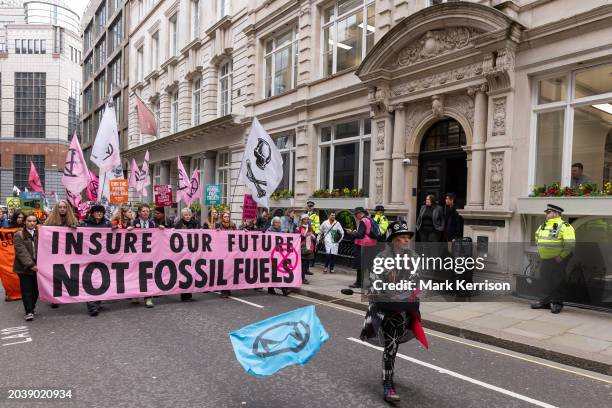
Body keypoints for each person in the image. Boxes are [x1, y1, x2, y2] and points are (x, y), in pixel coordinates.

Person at [360, 221, 426, 403]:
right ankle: (388, 383)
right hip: (388, 309)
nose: (406, 240)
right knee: (391, 346)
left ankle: (388, 377)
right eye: (402, 237)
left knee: (394, 344)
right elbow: (374, 281)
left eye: (407, 237)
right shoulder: (381, 258)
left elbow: (416, 280)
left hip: (404, 308)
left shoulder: (413, 257)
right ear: (393, 241)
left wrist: (409, 290)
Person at [531, 204, 576, 314]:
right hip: (546, 258)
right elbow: (537, 237)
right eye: (546, 212)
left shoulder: (565, 226)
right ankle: (545, 302)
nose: (546, 214)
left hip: (558, 259)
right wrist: (542, 250)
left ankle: (557, 303)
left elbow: (570, 244)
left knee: (558, 280)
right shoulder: (543, 225)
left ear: (556, 213)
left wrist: (561, 256)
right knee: (545, 280)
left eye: (548, 212)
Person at [129, 204, 164, 308]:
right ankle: (135, 295)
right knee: (136, 274)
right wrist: (128, 229)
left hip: (149, 254)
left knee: (148, 275)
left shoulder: (152, 223)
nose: (146, 213)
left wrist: (161, 228)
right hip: (136, 254)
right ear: (139, 213)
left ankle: (148, 297)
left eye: (147, 211)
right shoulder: (133, 222)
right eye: (143, 211)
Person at [80, 205, 112, 316]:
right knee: (90, 281)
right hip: (88, 258)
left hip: (103, 258)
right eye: (97, 212)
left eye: (101, 212)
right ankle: (92, 306)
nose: (99, 214)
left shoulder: (108, 224)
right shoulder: (84, 224)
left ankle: (97, 302)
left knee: (100, 280)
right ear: (92, 213)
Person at [13, 214, 40, 321]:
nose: (32, 223)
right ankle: (29, 311)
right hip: (24, 268)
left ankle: (31, 307)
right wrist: (31, 265)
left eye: (34, 221)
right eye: (29, 221)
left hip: (37, 267)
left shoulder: (40, 234)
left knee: (36, 290)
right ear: (25, 222)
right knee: (27, 290)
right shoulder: (18, 235)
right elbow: (21, 252)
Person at [173, 208, 202, 302]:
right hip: (183, 252)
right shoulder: (178, 224)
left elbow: (201, 232)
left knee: (192, 271)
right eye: (185, 215)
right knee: (184, 272)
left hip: (193, 251)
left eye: (189, 214)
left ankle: (189, 293)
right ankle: (184, 295)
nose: (188, 216)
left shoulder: (196, 222)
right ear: (182, 216)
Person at [345, 207, 378, 289]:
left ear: (360, 213)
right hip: (371, 244)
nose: (355, 216)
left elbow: (360, 235)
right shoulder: (370, 219)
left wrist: (351, 233)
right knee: (369, 265)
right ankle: (370, 282)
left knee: (359, 265)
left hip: (362, 245)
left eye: (356, 214)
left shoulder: (363, 221)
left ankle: (359, 283)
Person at [216, 211, 236, 298]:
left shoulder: (233, 226)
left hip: (231, 252)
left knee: (230, 271)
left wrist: (244, 231)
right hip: (221, 252)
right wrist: (216, 232)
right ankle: (224, 290)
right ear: (222, 217)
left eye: (228, 216)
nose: (226, 218)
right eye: (225, 216)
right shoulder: (218, 225)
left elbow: (238, 235)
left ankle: (228, 288)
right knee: (223, 271)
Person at [298, 214, 315, 284]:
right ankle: (302, 278)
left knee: (306, 263)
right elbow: (298, 237)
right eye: (305, 219)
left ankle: (303, 277)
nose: (306, 220)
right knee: (303, 264)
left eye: (307, 219)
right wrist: (304, 235)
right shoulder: (299, 228)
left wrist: (313, 236)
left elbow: (311, 234)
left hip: (309, 246)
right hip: (302, 247)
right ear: (302, 220)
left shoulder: (310, 227)